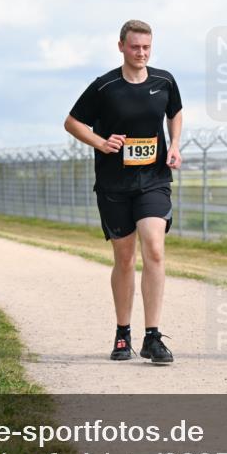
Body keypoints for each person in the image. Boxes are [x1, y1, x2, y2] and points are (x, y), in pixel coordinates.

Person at [64, 19, 183, 364]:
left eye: (147, 47)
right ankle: (122, 333)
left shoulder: (165, 81)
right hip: (115, 184)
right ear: (121, 46)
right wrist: (101, 142)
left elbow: (175, 112)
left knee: (155, 249)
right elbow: (72, 122)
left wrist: (174, 145)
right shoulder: (105, 87)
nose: (141, 53)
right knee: (125, 258)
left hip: (154, 179)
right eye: (135, 47)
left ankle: (153, 336)